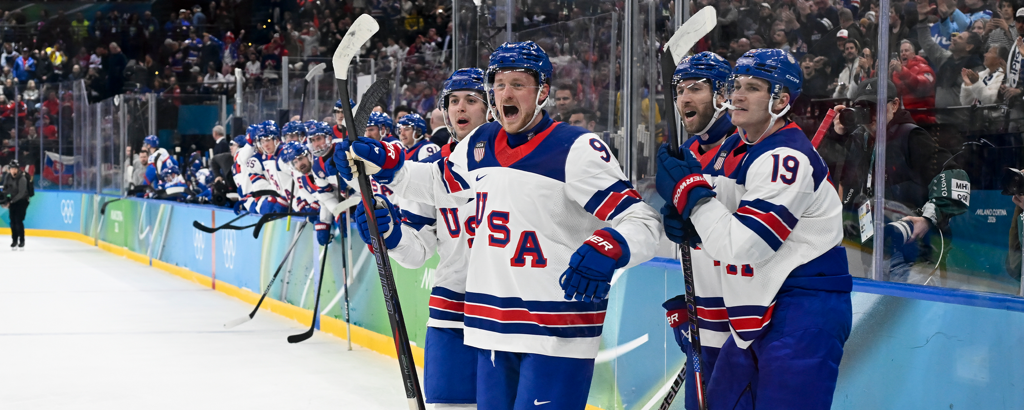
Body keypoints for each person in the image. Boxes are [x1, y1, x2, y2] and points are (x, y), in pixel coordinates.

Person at [341, 41, 662, 410]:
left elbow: (642, 220)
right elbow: (437, 184)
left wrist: (611, 246)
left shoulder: (576, 148)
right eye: (499, 84)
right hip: (491, 330)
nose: (506, 94)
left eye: (518, 84)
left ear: (542, 91)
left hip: (555, 332)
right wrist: (389, 167)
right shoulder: (481, 142)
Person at [656, 48, 851, 409]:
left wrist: (692, 196)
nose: (738, 95)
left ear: (781, 100)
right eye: (736, 86)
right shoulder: (747, 149)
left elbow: (743, 246)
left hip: (801, 309)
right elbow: (729, 214)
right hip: (755, 312)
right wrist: (691, 222)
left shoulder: (786, 157)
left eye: (754, 88)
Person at [352, 67, 489, 410]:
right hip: (450, 310)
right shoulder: (430, 172)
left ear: (491, 108)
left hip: (506, 312)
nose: (460, 108)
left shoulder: (517, 165)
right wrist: (390, 234)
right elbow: (417, 254)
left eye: (471, 100)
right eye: (453, 101)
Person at [821, 78, 969, 282]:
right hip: (872, 251)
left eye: (875, 106)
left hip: (912, 251)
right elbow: (827, 177)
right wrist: (836, 136)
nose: (870, 114)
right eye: (863, 107)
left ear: (895, 105)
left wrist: (928, 219)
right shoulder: (858, 139)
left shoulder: (910, 136)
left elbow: (954, 176)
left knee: (911, 302)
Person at [660, 51, 736, 410]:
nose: (684, 99)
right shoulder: (684, 153)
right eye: (679, 91)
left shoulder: (747, 148)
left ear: (722, 93)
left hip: (744, 321)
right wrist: (687, 305)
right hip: (702, 316)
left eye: (695, 88)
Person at [2, 160, 29, 250]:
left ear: (18, 169)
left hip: (22, 201)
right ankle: (14, 240)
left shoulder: (22, 178)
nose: (13, 170)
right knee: (12, 221)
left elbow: (21, 193)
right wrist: (5, 200)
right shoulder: (8, 176)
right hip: (12, 200)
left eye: (14, 169)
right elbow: (5, 188)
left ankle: (21, 240)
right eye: (11, 169)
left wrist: (11, 201)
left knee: (18, 221)